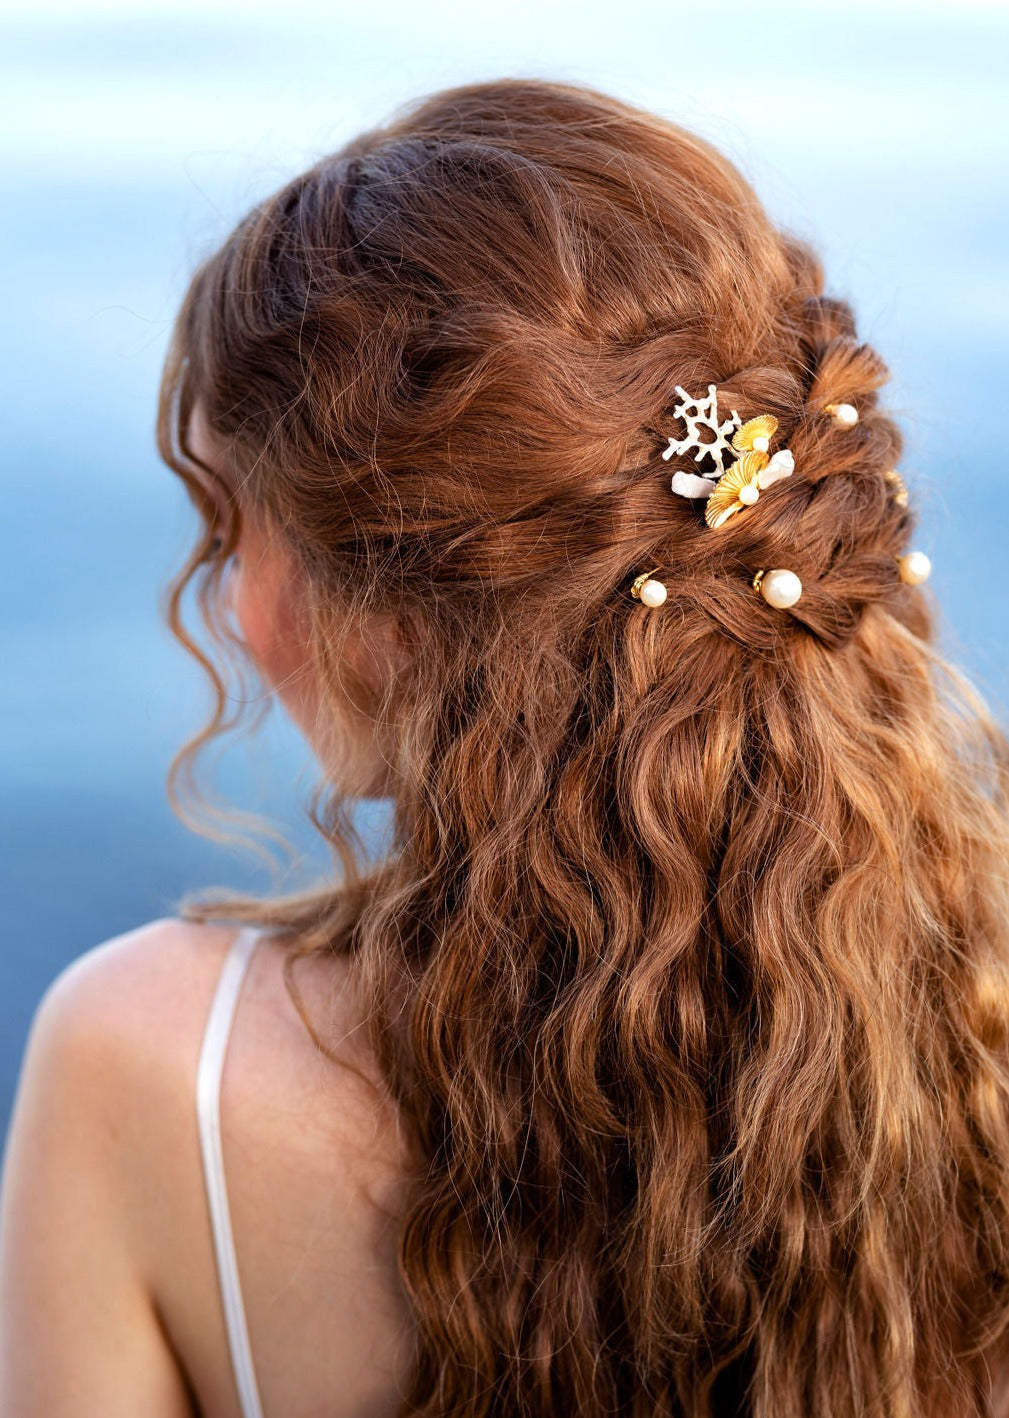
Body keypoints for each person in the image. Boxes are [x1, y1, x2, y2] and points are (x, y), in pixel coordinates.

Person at [2, 75, 1009, 1418]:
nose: (231, 612)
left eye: (237, 522)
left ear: (394, 619)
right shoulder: (969, 1050)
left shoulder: (150, 1069)